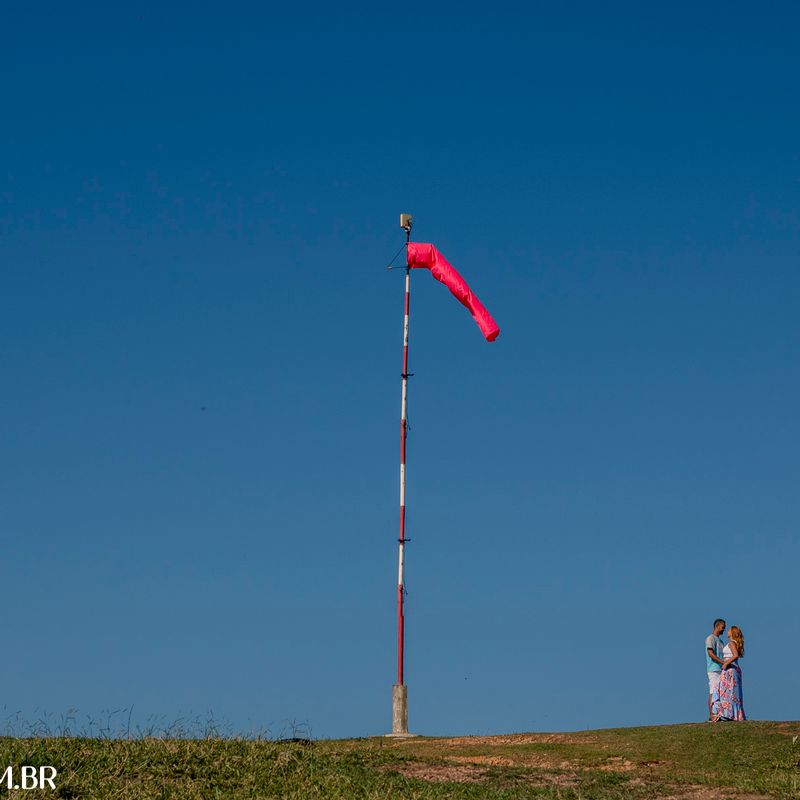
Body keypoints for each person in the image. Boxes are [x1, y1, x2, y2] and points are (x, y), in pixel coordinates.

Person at [712, 626, 746, 721]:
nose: (727, 631)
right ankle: (731, 714)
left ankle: (727, 714)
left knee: (727, 692)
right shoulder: (733, 643)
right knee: (731, 693)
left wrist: (726, 663)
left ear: (732, 633)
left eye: (729, 630)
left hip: (730, 670)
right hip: (732, 669)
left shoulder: (731, 643)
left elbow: (735, 655)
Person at [705, 618, 726, 721]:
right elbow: (710, 653)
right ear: (717, 626)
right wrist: (722, 662)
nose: (723, 630)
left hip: (721, 670)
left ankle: (719, 714)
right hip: (713, 669)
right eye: (722, 627)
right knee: (713, 691)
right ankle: (712, 715)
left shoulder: (721, 641)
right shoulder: (710, 638)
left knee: (720, 692)